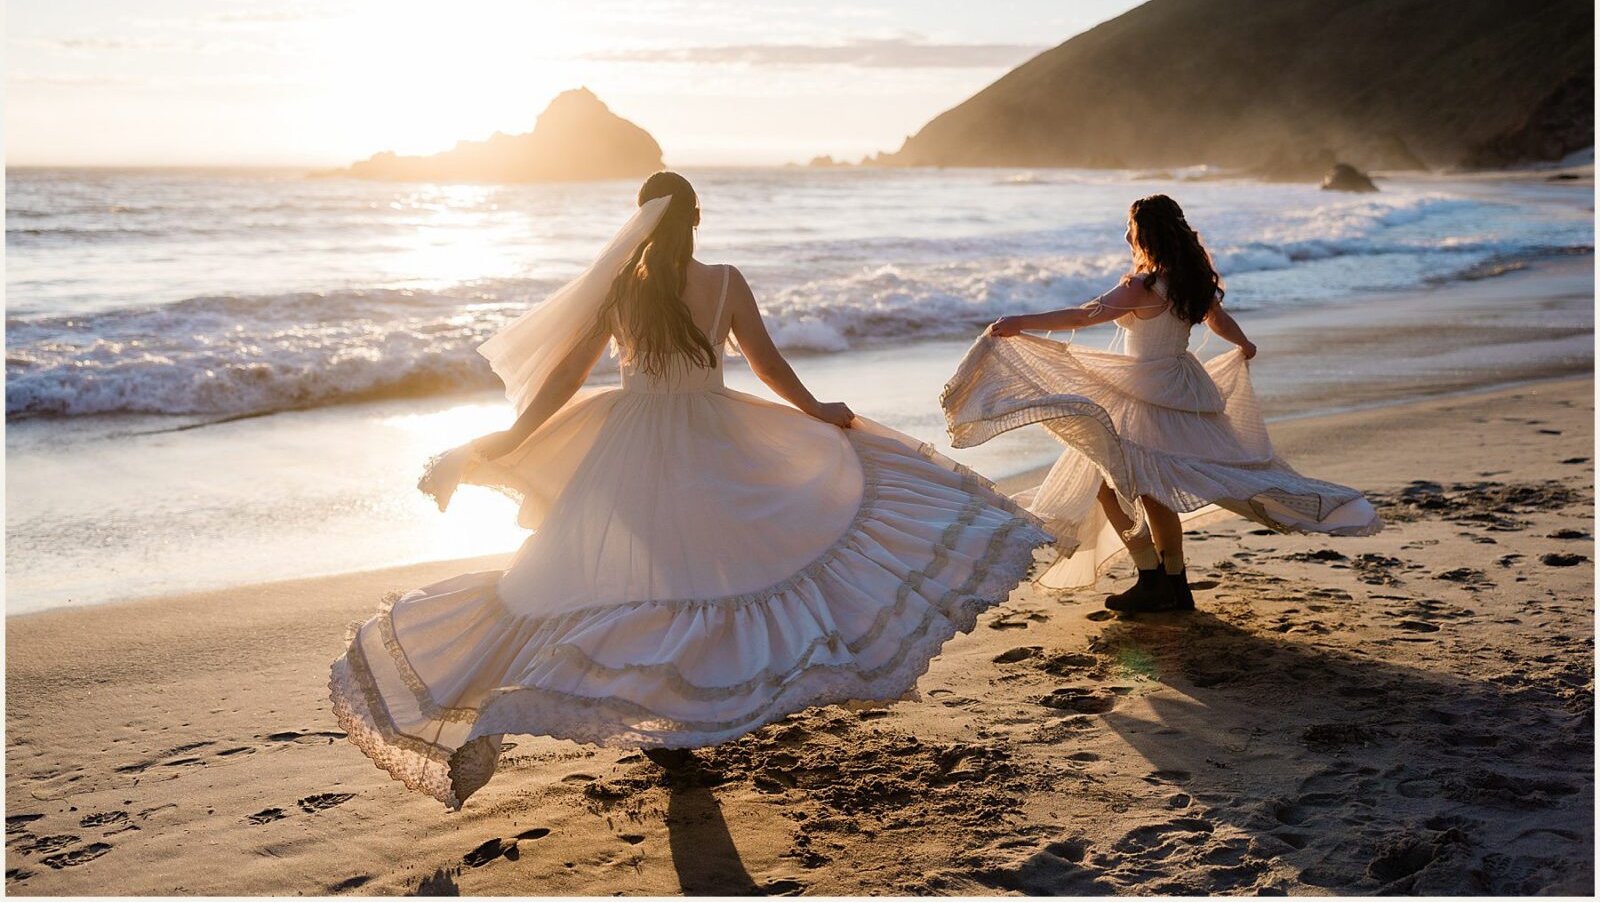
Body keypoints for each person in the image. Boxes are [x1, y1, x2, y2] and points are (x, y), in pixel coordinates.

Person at [329, 171, 1055, 808]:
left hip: (630, 440)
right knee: (722, 568)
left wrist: (515, 437)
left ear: (636, 222)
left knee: (627, 582)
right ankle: (692, 711)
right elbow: (767, 367)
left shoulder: (623, 289)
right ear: (697, 218)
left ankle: (666, 724)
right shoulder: (727, 282)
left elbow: (566, 378)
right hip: (711, 434)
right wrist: (818, 413)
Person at [941, 193, 1380, 614]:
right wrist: (1242, 342)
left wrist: (1021, 322)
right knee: (1152, 487)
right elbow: (1217, 317)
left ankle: (1153, 577)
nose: (1127, 237)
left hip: (1145, 390)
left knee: (1116, 484)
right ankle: (1173, 584)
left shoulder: (1142, 286)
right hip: (1181, 383)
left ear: (1145, 235)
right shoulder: (1191, 281)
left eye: (1130, 229)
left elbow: (1082, 315)